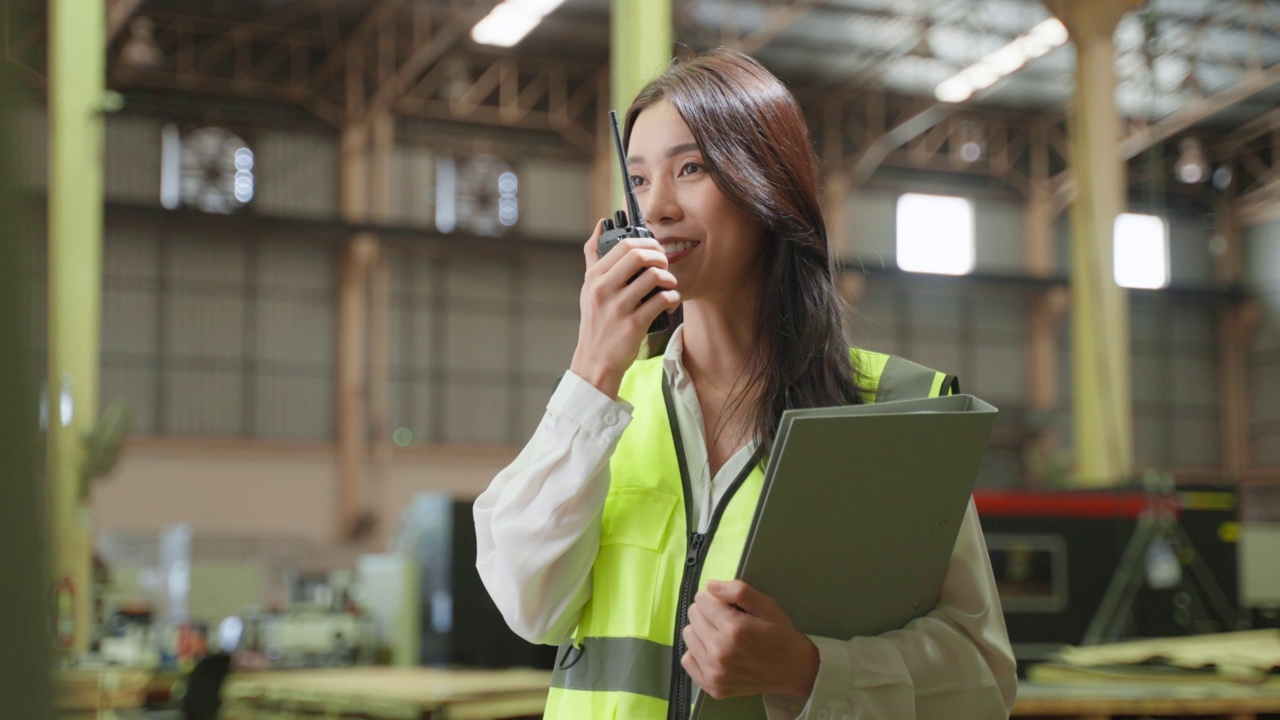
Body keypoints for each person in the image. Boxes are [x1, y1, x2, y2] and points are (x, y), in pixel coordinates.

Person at [475, 48, 1016, 720]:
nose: (659, 207)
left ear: (769, 187)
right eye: (638, 181)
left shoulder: (899, 411)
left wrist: (809, 670)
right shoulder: (602, 409)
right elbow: (529, 605)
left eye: (692, 168)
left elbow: (982, 680)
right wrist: (592, 370)